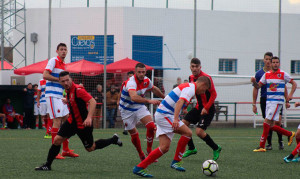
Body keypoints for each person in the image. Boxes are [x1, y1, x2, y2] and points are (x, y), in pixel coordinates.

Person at [35, 71, 123, 171]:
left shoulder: (78, 90)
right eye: (63, 81)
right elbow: (76, 102)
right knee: (57, 140)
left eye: (67, 80)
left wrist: (89, 117)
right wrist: (67, 100)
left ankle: (113, 139)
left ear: (71, 79)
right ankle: (47, 165)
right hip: (72, 122)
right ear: (60, 82)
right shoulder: (67, 91)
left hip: (83, 125)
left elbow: (92, 101)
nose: (66, 83)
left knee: (90, 148)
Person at [133, 76, 211, 177]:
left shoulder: (189, 87)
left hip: (163, 114)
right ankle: (176, 162)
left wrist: (182, 110)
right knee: (188, 133)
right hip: (165, 114)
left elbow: (179, 101)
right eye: (204, 90)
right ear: (203, 84)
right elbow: (180, 102)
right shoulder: (191, 88)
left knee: (164, 147)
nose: (203, 92)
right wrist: (175, 119)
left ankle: (139, 168)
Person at [119, 63, 165, 161]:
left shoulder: (146, 80)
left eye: (143, 72)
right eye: (139, 72)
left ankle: (149, 150)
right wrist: (149, 101)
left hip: (139, 106)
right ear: (135, 72)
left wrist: (165, 98)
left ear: (145, 72)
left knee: (151, 126)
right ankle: (141, 154)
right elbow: (134, 97)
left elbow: (154, 89)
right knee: (134, 134)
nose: (141, 74)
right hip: (126, 110)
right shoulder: (131, 82)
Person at [251, 56, 297, 152]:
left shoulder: (283, 74)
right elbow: (258, 86)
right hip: (268, 102)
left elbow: (294, 84)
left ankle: (262, 146)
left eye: (277, 62)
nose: (275, 64)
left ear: (279, 64)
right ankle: (290, 134)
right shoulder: (266, 74)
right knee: (271, 126)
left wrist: (290, 96)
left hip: (277, 102)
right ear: (271, 64)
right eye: (274, 62)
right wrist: (254, 82)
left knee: (266, 122)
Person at [182, 58, 222, 161]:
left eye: (196, 67)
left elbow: (214, 94)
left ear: (200, 67)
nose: (194, 69)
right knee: (183, 124)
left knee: (199, 132)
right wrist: (185, 106)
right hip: (198, 108)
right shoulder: (191, 77)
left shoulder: (207, 78)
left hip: (208, 109)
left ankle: (216, 148)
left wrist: (206, 107)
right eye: (192, 66)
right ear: (190, 67)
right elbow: (190, 92)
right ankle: (191, 148)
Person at [43, 43, 78, 159]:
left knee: (68, 120)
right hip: (52, 95)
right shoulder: (53, 60)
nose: (63, 51)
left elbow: (66, 83)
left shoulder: (65, 66)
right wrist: (59, 80)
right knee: (57, 121)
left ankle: (66, 150)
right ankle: (55, 152)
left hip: (60, 96)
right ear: (57, 51)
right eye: (61, 49)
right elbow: (45, 75)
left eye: (65, 49)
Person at [253, 52, 285, 150]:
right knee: (268, 122)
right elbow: (256, 88)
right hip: (265, 100)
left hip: (277, 99)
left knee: (277, 121)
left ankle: (281, 141)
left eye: (269, 60)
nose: (268, 61)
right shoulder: (259, 73)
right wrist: (254, 104)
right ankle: (269, 143)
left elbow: (284, 85)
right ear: (264, 60)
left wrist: (287, 99)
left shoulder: (278, 73)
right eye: (266, 59)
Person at [117, 71, 134, 135]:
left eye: (132, 76)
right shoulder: (124, 83)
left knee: (132, 116)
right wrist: (118, 100)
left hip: (132, 103)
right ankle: (125, 129)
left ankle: (128, 128)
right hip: (125, 103)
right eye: (130, 76)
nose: (131, 77)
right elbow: (120, 92)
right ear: (127, 76)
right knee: (125, 116)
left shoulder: (135, 84)